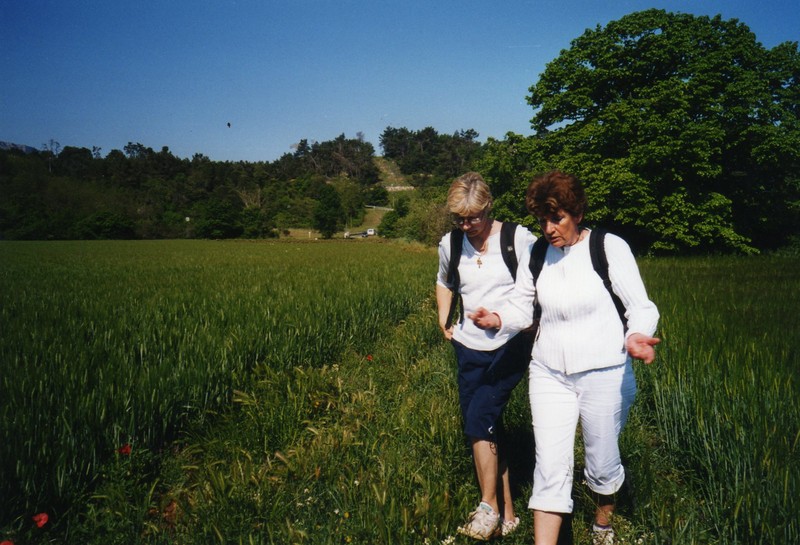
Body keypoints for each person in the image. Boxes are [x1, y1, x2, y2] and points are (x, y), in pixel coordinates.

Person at [470, 170, 660, 545]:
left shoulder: (608, 247)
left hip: (604, 371)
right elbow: (523, 307)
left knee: (602, 464)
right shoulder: (537, 254)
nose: (549, 228)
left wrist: (637, 334)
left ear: (576, 214)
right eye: (543, 220)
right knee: (551, 467)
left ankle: (603, 523)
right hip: (549, 372)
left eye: (556, 218)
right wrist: (499, 318)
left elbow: (640, 305)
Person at [436, 172, 535, 540]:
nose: (466, 225)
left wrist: (531, 321)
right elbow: (445, 281)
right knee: (486, 425)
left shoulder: (517, 238)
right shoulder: (451, 243)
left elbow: (543, 278)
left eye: (473, 218)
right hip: (468, 345)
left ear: (488, 208)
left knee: (480, 415)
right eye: (459, 219)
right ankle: (507, 511)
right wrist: (443, 318)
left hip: (510, 343)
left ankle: (487, 507)